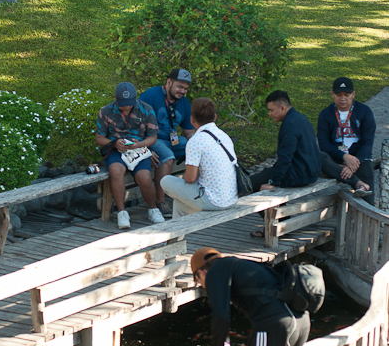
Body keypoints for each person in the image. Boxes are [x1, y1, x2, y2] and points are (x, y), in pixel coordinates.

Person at [250, 90, 321, 238]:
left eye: (271, 110)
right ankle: (279, 221)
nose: (269, 114)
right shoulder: (300, 118)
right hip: (311, 172)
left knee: (250, 185)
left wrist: (273, 182)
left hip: (300, 174)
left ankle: (277, 224)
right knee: (265, 174)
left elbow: (285, 158)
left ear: (282, 108)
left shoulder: (289, 125)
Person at [95, 82, 165, 230]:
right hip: (116, 150)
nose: (127, 107)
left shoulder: (146, 110)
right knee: (115, 170)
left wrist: (139, 145)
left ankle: (153, 209)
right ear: (115, 98)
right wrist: (114, 143)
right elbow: (99, 138)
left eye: (129, 104)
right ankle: (122, 211)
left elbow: (153, 137)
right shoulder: (106, 111)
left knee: (144, 177)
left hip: (138, 149)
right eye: (123, 104)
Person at [160, 97, 237, 219]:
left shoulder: (196, 140)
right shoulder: (224, 136)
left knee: (165, 181)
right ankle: (175, 238)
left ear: (192, 119)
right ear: (215, 117)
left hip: (213, 201)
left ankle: (174, 237)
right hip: (231, 198)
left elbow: (190, 179)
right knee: (180, 205)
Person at [139, 68, 194, 217]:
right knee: (167, 156)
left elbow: (188, 131)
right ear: (169, 82)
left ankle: (199, 195)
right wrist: (144, 149)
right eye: (180, 87)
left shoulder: (184, 103)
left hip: (173, 140)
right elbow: (135, 127)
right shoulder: (149, 97)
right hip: (153, 139)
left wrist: (200, 144)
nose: (182, 91)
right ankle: (161, 201)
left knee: (198, 149)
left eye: (186, 89)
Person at [317, 77, 375, 205]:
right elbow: (323, 144)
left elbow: (368, 142)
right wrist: (344, 157)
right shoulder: (326, 114)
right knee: (318, 157)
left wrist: (355, 161)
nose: (342, 98)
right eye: (338, 95)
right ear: (333, 95)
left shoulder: (364, 112)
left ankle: (369, 215)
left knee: (368, 199)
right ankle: (355, 180)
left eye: (346, 95)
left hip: (359, 156)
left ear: (353, 94)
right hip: (336, 155)